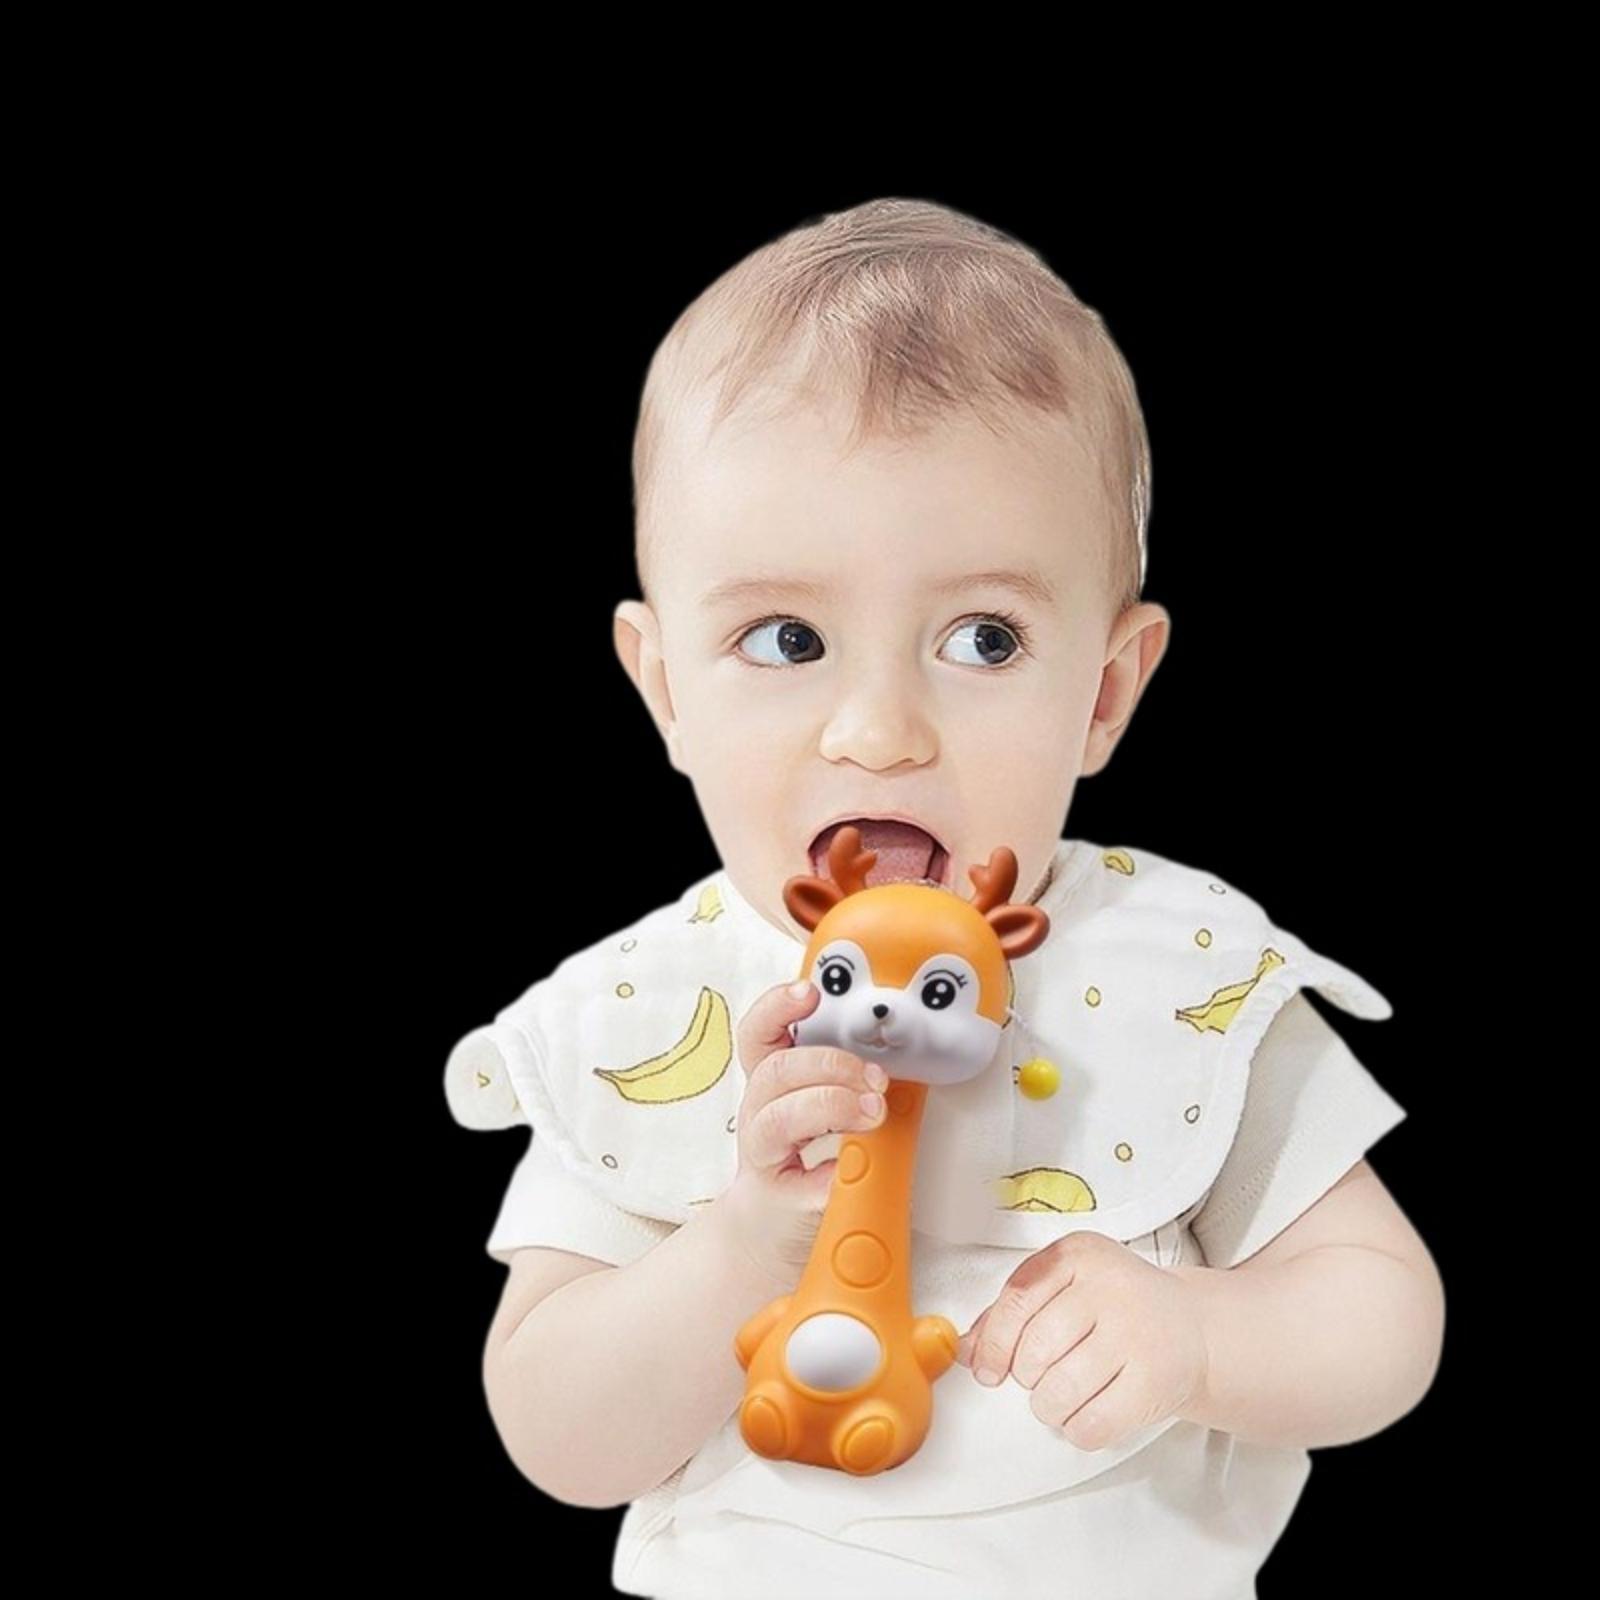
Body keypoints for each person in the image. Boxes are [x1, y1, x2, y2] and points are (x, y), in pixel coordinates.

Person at [442, 197, 1445, 1599]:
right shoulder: (647, 1012)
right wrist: (739, 1243)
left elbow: (1385, 1318)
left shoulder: (1182, 978)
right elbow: (557, 1434)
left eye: (982, 639)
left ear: (1106, 691)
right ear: (665, 689)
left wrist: (1202, 1338)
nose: (878, 730)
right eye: (786, 638)